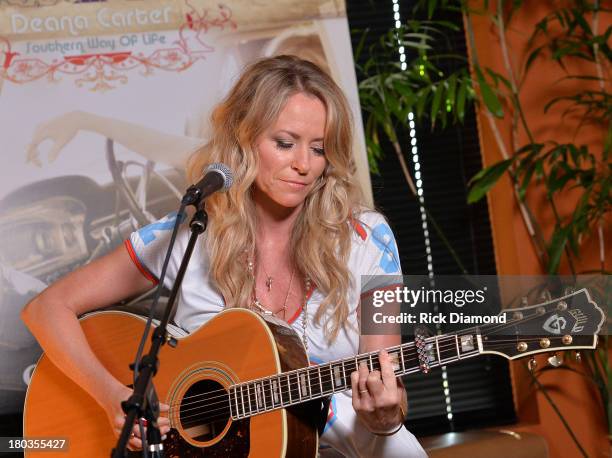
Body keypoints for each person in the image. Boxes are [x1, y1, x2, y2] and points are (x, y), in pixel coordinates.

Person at [22, 55, 427, 457]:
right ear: (245, 140)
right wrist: (111, 395)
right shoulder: (188, 234)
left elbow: (385, 377)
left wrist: (385, 417)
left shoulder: (367, 238)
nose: (303, 165)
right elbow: (46, 308)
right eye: (284, 144)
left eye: (319, 149)